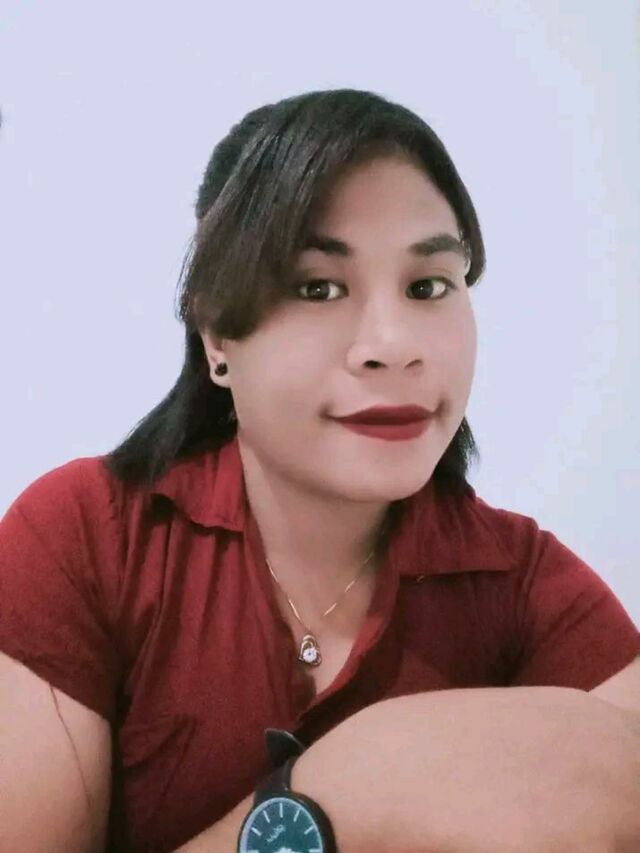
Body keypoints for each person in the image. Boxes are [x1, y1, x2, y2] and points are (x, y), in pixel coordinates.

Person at [0, 87, 638, 853]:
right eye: (318, 287)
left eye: (428, 286)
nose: (393, 345)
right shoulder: (86, 537)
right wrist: (344, 789)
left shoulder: (526, 587)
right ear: (217, 335)